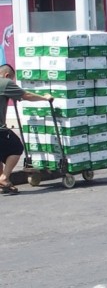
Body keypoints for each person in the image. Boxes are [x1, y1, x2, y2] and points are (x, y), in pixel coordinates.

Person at [0, 63, 53, 195]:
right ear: (7, 75)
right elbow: (27, 95)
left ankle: (3, 183)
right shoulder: (5, 82)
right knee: (16, 147)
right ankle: (4, 178)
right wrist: (44, 98)